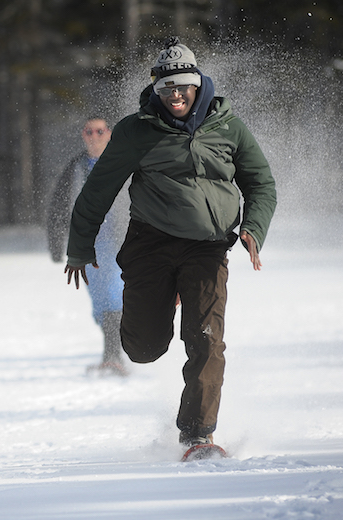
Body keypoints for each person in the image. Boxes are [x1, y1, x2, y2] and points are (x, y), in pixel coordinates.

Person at [64, 37, 276, 448]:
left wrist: (253, 227)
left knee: (207, 339)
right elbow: (98, 189)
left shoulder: (227, 125)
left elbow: (260, 182)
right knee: (144, 348)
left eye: (182, 85)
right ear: (156, 90)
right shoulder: (136, 130)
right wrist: (80, 246)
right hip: (151, 244)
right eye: (166, 88)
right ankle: (162, 296)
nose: (175, 94)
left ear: (197, 84)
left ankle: (198, 435)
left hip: (208, 247)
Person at [47, 117, 128, 376]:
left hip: (121, 242)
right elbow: (59, 205)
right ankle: (114, 348)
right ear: (83, 135)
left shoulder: (124, 162)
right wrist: (56, 242)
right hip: (88, 245)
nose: (94, 136)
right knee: (100, 303)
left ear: (109, 134)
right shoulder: (76, 167)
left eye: (100, 131)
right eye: (89, 131)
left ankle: (113, 356)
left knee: (115, 293)